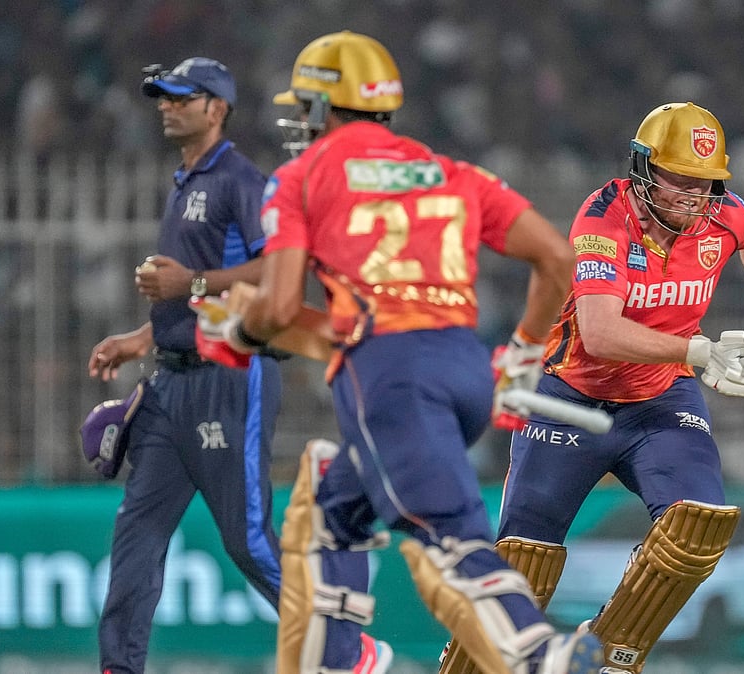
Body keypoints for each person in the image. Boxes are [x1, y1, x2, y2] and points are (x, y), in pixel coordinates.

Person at [193, 31, 603, 674]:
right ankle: (339, 660)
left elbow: (275, 308)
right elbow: (557, 257)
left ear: (325, 109)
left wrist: (237, 335)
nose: (301, 123)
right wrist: (523, 352)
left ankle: (538, 655)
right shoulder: (452, 171)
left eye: (305, 108)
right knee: (330, 514)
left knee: (446, 533)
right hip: (463, 368)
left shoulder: (300, 178)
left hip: (391, 379)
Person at [460, 102, 744, 674]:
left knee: (698, 523)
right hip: (571, 400)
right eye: (677, 179)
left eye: (703, 184)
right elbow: (600, 333)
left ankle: (607, 653)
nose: (689, 196)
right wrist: (698, 350)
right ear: (644, 168)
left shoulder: (721, 212)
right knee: (521, 561)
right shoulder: (603, 217)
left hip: (660, 400)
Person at [85, 57, 282, 674]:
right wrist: (144, 336)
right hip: (172, 380)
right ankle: (120, 668)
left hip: (229, 379)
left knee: (248, 543)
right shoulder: (186, 182)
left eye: (180, 96)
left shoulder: (239, 180)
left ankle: (344, 645)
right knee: (136, 536)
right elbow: (193, 298)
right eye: (162, 96)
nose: (166, 105)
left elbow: (275, 272)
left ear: (216, 108)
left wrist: (191, 281)